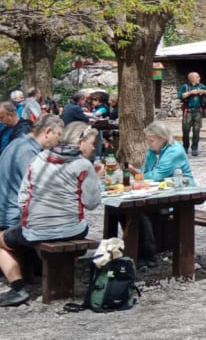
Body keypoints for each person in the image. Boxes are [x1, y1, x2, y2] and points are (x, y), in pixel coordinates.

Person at [0, 121, 103, 307]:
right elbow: (91, 203)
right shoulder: (83, 165)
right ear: (81, 142)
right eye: (91, 143)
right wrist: (95, 179)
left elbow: (23, 197)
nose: (93, 148)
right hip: (74, 229)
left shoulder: (39, 159)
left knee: (2, 239)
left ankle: (17, 288)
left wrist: (35, 216)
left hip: (35, 229)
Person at [125, 122, 195, 269]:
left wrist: (139, 176)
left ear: (162, 138)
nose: (148, 143)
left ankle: (148, 253)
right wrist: (138, 174)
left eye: (151, 140)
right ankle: (139, 251)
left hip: (180, 191)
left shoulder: (174, 151)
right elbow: (145, 172)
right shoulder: (153, 151)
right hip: (159, 191)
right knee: (130, 210)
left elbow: (156, 176)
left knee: (142, 211)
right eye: (147, 140)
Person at [0, 115, 64, 230]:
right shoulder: (29, 152)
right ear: (48, 131)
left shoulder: (19, 142)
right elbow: (39, 189)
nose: (58, 141)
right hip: (11, 218)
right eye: (58, 135)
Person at [178, 72, 206, 157]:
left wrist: (202, 91)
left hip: (198, 112)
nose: (199, 78)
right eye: (197, 77)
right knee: (186, 131)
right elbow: (180, 96)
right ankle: (185, 147)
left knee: (196, 131)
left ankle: (194, 148)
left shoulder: (201, 86)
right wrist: (190, 92)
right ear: (192, 78)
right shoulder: (185, 87)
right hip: (188, 112)